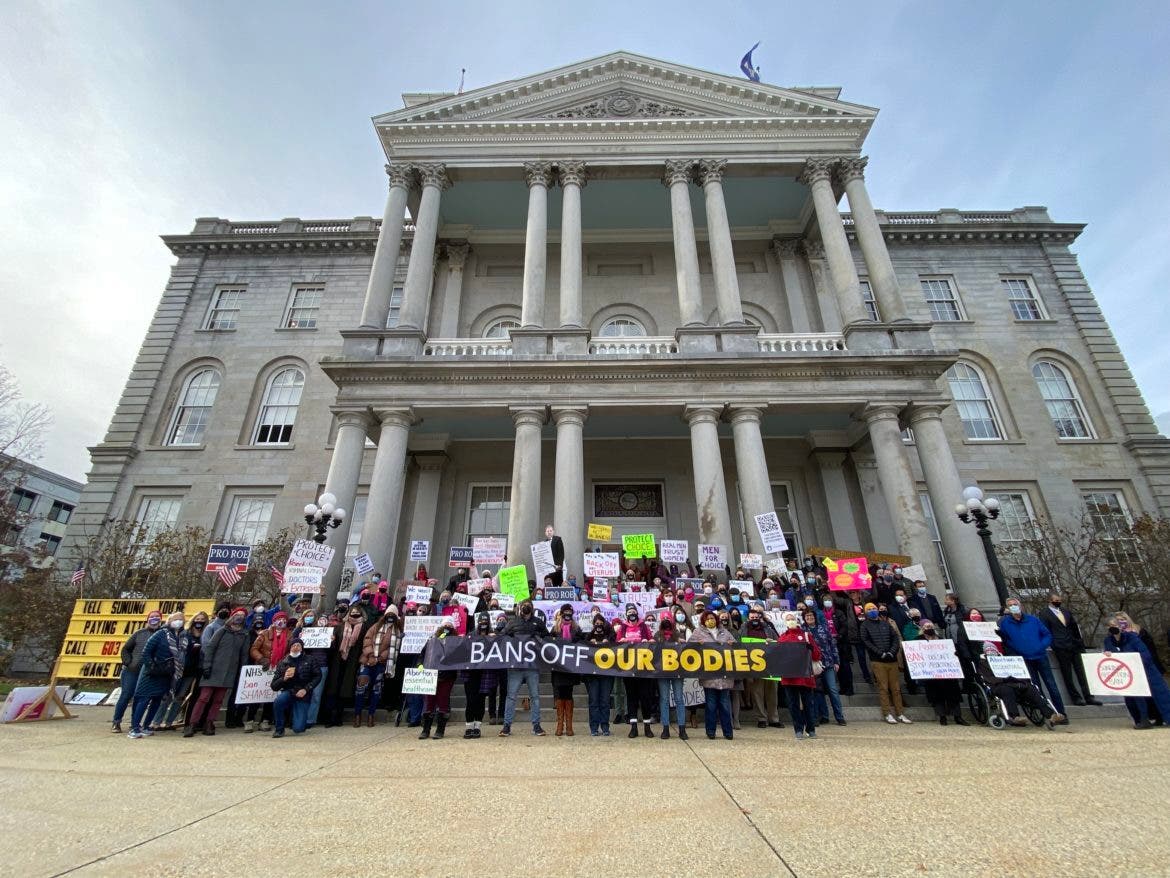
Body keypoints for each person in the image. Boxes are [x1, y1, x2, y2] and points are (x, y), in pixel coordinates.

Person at [998, 597, 1067, 722]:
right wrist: (1018, 649)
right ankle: (1047, 713)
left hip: (1040, 656)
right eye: (1010, 605)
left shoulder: (1033, 620)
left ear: (1020, 606)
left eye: (1015, 604)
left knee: (1051, 685)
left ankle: (1061, 713)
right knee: (1035, 686)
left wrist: (1041, 646)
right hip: (1024, 659)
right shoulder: (1005, 623)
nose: (1013, 607)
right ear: (1007, 608)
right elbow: (1006, 640)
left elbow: (1047, 635)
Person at [184, 607, 250, 737]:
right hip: (213, 669)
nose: (239, 618)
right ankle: (192, 724)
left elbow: (244, 655)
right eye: (237, 615)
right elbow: (210, 648)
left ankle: (209, 723)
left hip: (229, 671)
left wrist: (243, 671)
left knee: (218, 700)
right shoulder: (222, 631)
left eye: (242, 616)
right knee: (203, 698)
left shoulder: (244, 634)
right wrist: (207, 666)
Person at [1103, 613, 1170, 729]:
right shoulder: (1108, 641)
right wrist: (1108, 655)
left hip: (1146, 669)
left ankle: (1164, 717)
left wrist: (1135, 662)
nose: (1113, 627)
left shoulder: (1132, 637)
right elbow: (1112, 658)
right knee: (1133, 697)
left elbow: (1146, 654)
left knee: (1160, 694)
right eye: (1110, 626)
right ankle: (1142, 719)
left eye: (1115, 625)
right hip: (1128, 674)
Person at [128, 612, 188, 739]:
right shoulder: (160, 634)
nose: (178, 621)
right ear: (169, 621)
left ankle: (146, 726)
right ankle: (134, 727)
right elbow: (146, 652)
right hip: (152, 673)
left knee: (157, 701)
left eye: (181, 619)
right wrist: (152, 666)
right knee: (144, 700)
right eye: (175, 619)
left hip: (167, 674)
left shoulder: (183, 637)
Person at [1037, 592, 1101, 707]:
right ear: (1050, 601)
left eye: (1059, 600)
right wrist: (1053, 644)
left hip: (1074, 645)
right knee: (1067, 674)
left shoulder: (1065, 611)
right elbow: (1045, 630)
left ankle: (1089, 696)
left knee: (1082, 673)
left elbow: (1074, 627)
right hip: (1060, 647)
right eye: (1056, 600)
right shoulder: (1044, 613)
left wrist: (1079, 642)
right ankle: (1076, 697)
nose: (1058, 602)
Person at [500, 600, 551, 737]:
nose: (526, 608)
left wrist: (538, 637)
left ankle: (536, 725)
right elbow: (502, 637)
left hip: (532, 666)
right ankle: (506, 726)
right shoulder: (512, 623)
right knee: (511, 696)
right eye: (523, 606)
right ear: (519, 608)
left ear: (532, 608)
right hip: (515, 665)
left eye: (528, 606)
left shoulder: (538, 623)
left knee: (535, 696)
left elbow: (547, 637)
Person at [976, 652, 1065, 729]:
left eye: (993, 650)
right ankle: (1014, 717)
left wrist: (1018, 678)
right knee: (1007, 690)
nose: (992, 652)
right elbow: (989, 679)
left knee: (1031, 688)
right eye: (989, 650)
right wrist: (1005, 678)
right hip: (998, 685)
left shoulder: (1005, 661)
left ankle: (1050, 715)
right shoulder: (982, 663)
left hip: (1015, 683)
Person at [860, 602, 911, 725]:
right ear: (866, 612)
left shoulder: (885, 624)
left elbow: (895, 638)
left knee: (896, 688)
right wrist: (880, 653)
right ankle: (887, 713)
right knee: (883, 688)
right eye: (869, 609)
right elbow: (866, 641)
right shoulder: (864, 625)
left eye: (874, 608)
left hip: (891, 659)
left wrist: (892, 652)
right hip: (877, 660)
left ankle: (900, 713)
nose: (872, 610)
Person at [155, 611, 207, 730]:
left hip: (192, 671)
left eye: (202, 619)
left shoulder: (205, 635)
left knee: (180, 697)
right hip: (178, 669)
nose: (199, 621)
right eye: (197, 619)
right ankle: (156, 721)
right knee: (168, 695)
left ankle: (169, 722)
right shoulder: (185, 633)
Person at [111, 611, 161, 733]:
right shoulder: (139, 633)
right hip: (132, 671)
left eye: (157, 617)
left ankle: (134, 723)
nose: (154, 619)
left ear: (161, 619)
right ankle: (116, 722)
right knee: (126, 695)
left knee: (140, 698)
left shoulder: (162, 634)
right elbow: (125, 649)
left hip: (148, 673)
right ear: (147, 619)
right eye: (152, 617)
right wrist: (128, 662)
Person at [690, 610, 736, 740]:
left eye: (712, 618)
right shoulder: (698, 633)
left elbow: (736, 647)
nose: (710, 620)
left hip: (724, 675)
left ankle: (728, 732)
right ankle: (710, 731)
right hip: (709, 676)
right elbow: (688, 647)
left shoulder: (725, 632)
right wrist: (696, 645)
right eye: (707, 619)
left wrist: (732, 645)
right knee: (711, 705)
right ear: (703, 621)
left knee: (725, 704)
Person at [615, 603, 656, 739]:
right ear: (626, 615)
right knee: (631, 697)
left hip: (643, 667)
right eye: (629, 612)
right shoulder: (622, 627)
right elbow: (616, 644)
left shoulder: (644, 626)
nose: (632, 614)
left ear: (637, 613)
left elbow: (651, 639)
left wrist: (649, 641)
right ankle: (633, 727)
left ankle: (647, 726)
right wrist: (621, 641)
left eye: (633, 611)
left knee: (645, 697)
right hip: (628, 668)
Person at [354, 606, 401, 728]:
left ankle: (371, 715)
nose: (390, 616)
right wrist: (371, 655)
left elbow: (393, 648)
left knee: (376, 690)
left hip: (381, 663)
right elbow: (367, 640)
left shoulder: (397, 630)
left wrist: (380, 657)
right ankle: (357, 714)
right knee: (361, 687)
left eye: (393, 615)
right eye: (388, 614)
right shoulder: (376, 626)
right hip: (367, 661)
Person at [325, 606, 370, 727]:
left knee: (344, 690)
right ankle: (329, 718)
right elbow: (332, 645)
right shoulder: (340, 627)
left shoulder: (364, 628)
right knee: (333, 689)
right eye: (352, 612)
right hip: (337, 661)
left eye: (357, 613)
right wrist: (332, 641)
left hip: (352, 662)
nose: (354, 614)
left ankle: (338, 717)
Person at [780, 611, 821, 739]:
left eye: (792, 618)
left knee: (808, 704)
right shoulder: (782, 638)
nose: (791, 621)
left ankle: (811, 728)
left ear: (797, 620)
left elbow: (817, 655)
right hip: (789, 677)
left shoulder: (806, 636)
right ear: (785, 623)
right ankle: (798, 729)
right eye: (788, 619)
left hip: (805, 676)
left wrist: (811, 648)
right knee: (793, 705)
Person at [268, 638, 321, 737]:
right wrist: (283, 679)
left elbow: (318, 676)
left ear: (302, 648)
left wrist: (306, 689)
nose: (296, 647)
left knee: (298, 729)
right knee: (278, 701)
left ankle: (296, 717)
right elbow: (274, 686)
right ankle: (279, 729)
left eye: (298, 645)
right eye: (293, 645)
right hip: (289, 691)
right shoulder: (283, 662)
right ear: (290, 648)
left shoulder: (310, 659)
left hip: (303, 693)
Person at [919, 622, 968, 725]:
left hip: (947, 672)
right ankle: (942, 716)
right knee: (937, 696)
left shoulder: (942, 640)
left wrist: (954, 653)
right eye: (926, 626)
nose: (929, 628)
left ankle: (958, 716)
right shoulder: (918, 641)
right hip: (932, 673)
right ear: (922, 629)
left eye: (931, 626)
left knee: (953, 694)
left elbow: (951, 651)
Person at [742, 606, 782, 729]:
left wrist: (772, 641)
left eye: (756, 617)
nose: (754, 619)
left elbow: (779, 642)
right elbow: (739, 646)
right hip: (754, 665)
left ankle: (774, 719)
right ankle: (761, 718)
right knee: (757, 693)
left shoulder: (768, 629)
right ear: (748, 619)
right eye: (752, 617)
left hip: (770, 664)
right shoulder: (743, 630)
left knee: (772, 693)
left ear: (760, 618)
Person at [804, 608, 845, 726]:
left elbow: (832, 645)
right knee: (817, 691)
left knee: (832, 689)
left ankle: (839, 716)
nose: (810, 618)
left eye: (811, 615)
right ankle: (823, 716)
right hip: (813, 664)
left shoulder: (824, 628)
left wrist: (836, 661)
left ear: (815, 617)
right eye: (807, 616)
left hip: (827, 662)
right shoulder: (803, 631)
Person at [420, 617, 460, 739]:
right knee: (429, 701)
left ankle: (440, 730)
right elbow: (423, 654)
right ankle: (426, 730)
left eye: (450, 625)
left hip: (447, 676)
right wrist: (420, 665)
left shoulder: (456, 641)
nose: (447, 627)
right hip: (432, 675)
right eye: (445, 625)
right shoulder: (432, 640)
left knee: (443, 701)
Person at [654, 614, 689, 740]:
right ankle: (665, 728)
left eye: (668, 619)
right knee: (664, 699)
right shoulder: (657, 635)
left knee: (679, 698)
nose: (666, 621)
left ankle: (682, 728)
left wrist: (683, 643)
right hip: (662, 671)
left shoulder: (678, 634)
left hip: (677, 671)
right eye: (664, 619)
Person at [583, 611, 616, 736]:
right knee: (593, 701)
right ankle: (594, 727)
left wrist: (608, 640)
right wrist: (589, 641)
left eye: (601, 623)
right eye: (596, 623)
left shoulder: (609, 636)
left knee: (605, 701)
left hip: (606, 673)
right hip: (592, 674)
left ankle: (605, 726)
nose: (599, 625)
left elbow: (616, 643)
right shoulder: (588, 637)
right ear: (593, 625)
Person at [550, 604, 581, 736]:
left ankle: (569, 725)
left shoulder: (576, 629)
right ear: (562, 613)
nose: (567, 614)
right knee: (559, 693)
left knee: (568, 693)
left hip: (570, 666)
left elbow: (581, 642)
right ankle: (559, 724)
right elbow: (548, 643)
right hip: (558, 666)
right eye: (565, 612)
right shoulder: (555, 629)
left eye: (569, 612)